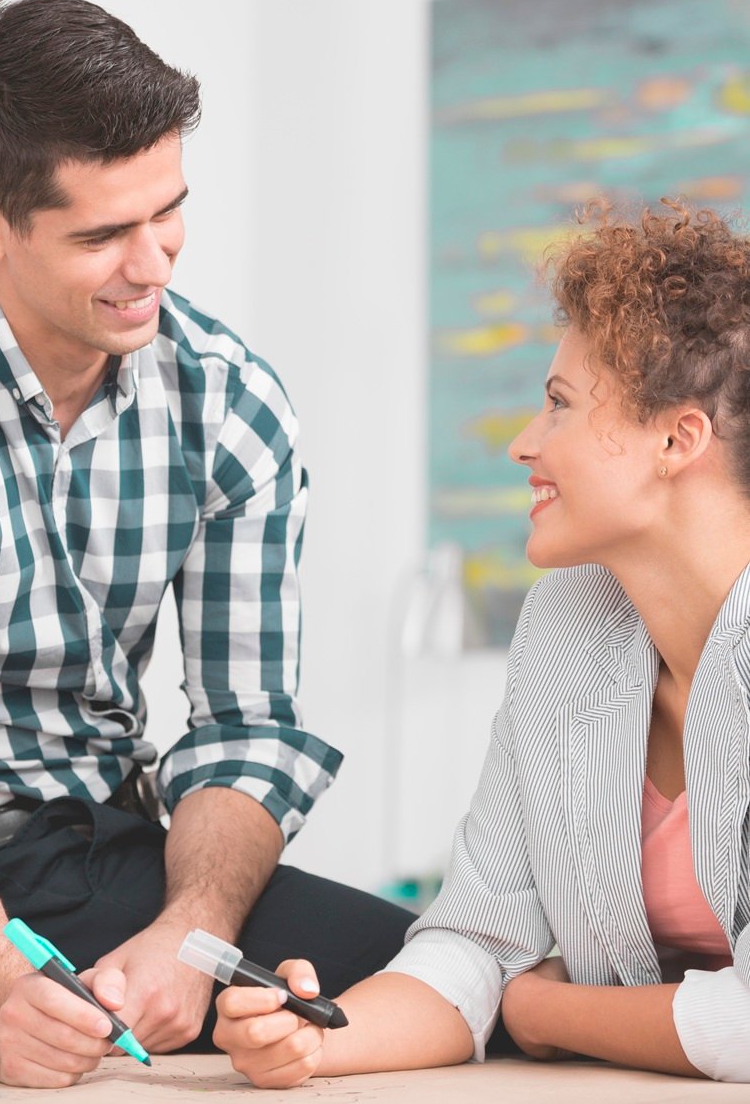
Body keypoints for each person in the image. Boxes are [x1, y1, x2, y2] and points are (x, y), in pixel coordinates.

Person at [0, 0, 409, 1088]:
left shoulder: (226, 403)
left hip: (86, 848)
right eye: (101, 236)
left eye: (167, 213)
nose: (153, 266)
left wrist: (188, 943)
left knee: (417, 975)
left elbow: (244, 726)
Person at [215, 198, 750, 1087]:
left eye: (558, 405)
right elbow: (475, 940)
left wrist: (543, 1010)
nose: (522, 444)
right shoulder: (564, 626)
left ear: (676, 437)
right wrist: (315, 1041)